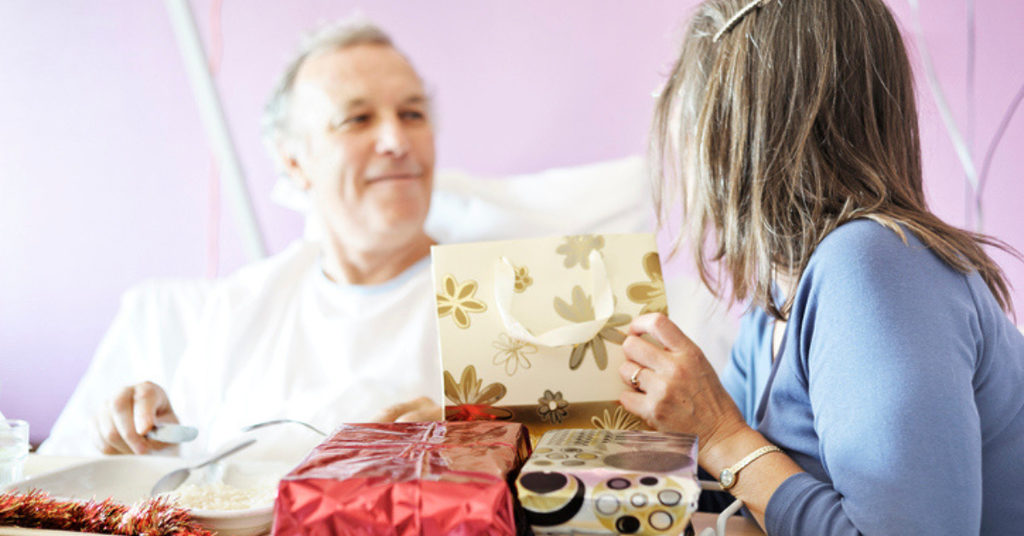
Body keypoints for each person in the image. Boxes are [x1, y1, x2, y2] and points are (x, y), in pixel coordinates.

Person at [617, 0, 1024, 534]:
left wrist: (719, 433)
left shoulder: (874, 267)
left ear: (730, 127)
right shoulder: (775, 300)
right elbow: (736, 495)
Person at [41, 20, 443, 460]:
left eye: (412, 114)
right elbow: (193, 472)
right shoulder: (244, 306)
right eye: (357, 118)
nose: (396, 140)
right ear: (293, 160)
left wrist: (471, 440)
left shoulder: (490, 305)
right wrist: (152, 441)